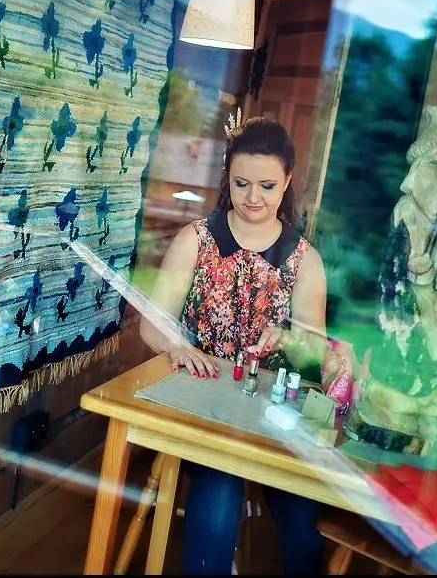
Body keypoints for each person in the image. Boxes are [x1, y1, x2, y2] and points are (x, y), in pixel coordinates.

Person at [139, 115, 329, 575]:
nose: (253, 198)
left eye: (267, 185)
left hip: (272, 417)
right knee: (218, 494)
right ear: (228, 176)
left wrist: (293, 340)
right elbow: (151, 324)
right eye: (242, 183)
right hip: (204, 410)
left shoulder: (304, 260)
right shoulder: (196, 240)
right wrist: (178, 346)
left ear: (286, 182)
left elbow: (317, 352)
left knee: (304, 520)